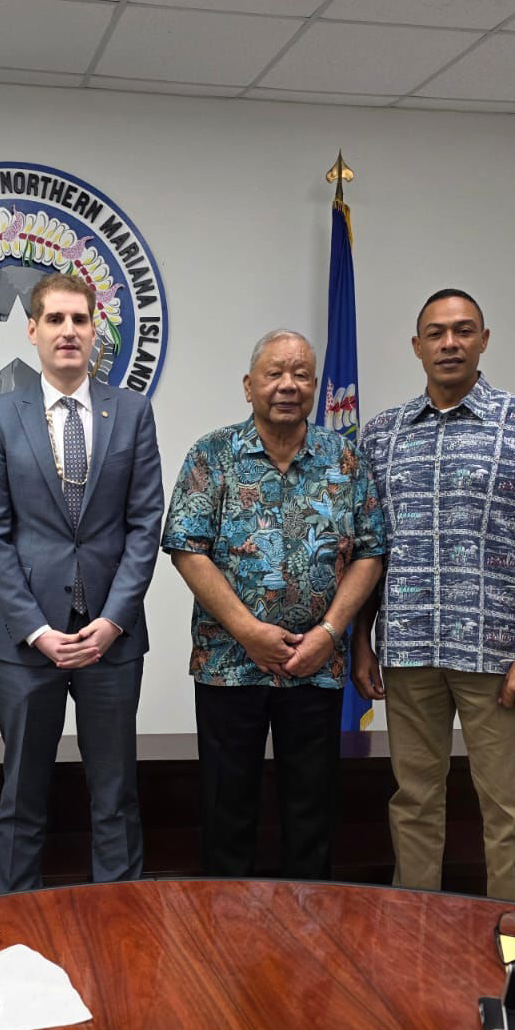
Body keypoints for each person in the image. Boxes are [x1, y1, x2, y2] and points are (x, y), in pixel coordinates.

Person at [353, 289, 515, 905]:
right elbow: (369, 549)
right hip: (408, 648)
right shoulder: (381, 435)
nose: (450, 343)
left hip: (496, 652)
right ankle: (415, 929)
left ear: (484, 340)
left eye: (463, 331)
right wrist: (361, 641)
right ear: (417, 346)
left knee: (508, 809)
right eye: (436, 333)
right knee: (413, 801)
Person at [163, 329, 385, 878]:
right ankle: (224, 920)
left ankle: (307, 920)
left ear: (314, 385)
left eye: (301, 374)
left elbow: (370, 552)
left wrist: (329, 634)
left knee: (311, 814)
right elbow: (186, 549)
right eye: (274, 373)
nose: (288, 385)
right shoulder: (212, 455)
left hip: (316, 664)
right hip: (229, 664)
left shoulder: (346, 459)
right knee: (226, 810)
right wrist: (248, 632)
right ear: (249, 386)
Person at [0, 272, 164, 894]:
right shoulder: (0, 415)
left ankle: (120, 923)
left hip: (111, 642)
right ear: (31, 330)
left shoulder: (131, 411)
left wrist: (112, 622)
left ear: (94, 330)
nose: (68, 331)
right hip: (28, 645)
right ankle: (13, 921)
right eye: (54, 319)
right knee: (21, 797)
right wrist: (35, 629)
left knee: (116, 795)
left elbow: (145, 525)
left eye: (79, 319)